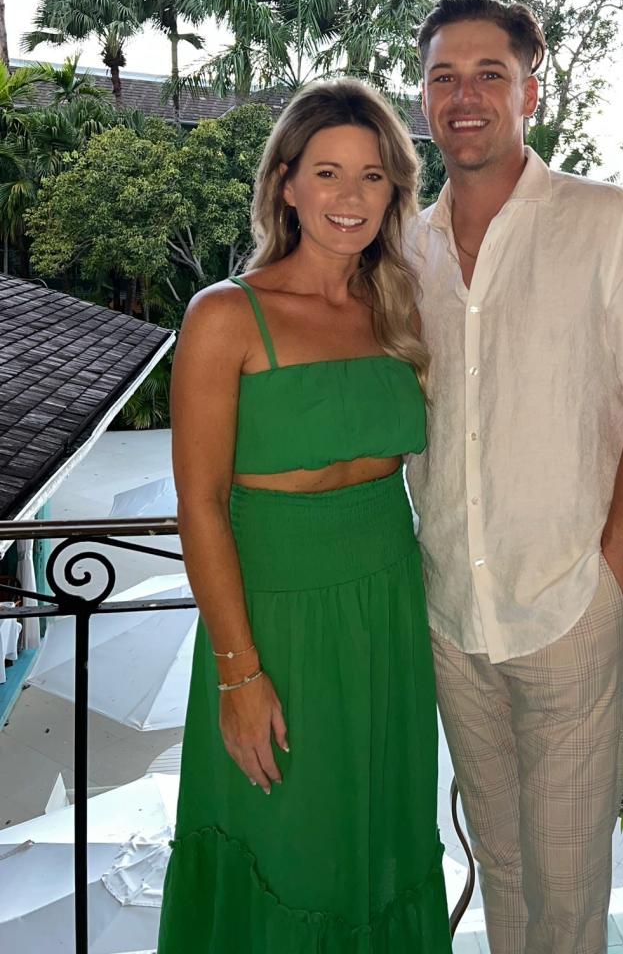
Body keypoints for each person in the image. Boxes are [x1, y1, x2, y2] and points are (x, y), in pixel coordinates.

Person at [406, 0, 623, 954]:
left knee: (570, 889)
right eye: (445, 76)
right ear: (423, 97)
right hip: (452, 613)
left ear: (530, 91)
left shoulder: (607, 222)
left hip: (568, 607)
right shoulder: (402, 250)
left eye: (489, 74)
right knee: (499, 863)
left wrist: (611, 574)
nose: (466, 96)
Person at [157, 80, 452, 953]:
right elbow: (200, 506)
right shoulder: (224, 316)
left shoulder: (396, 308)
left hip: (388, 621)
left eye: (372, 178)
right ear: (286, 184)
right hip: (279, 624)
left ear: (394, 192)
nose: (350, 198)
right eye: (328, 173)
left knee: (375, 839)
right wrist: (239, 675)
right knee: (290, 844)